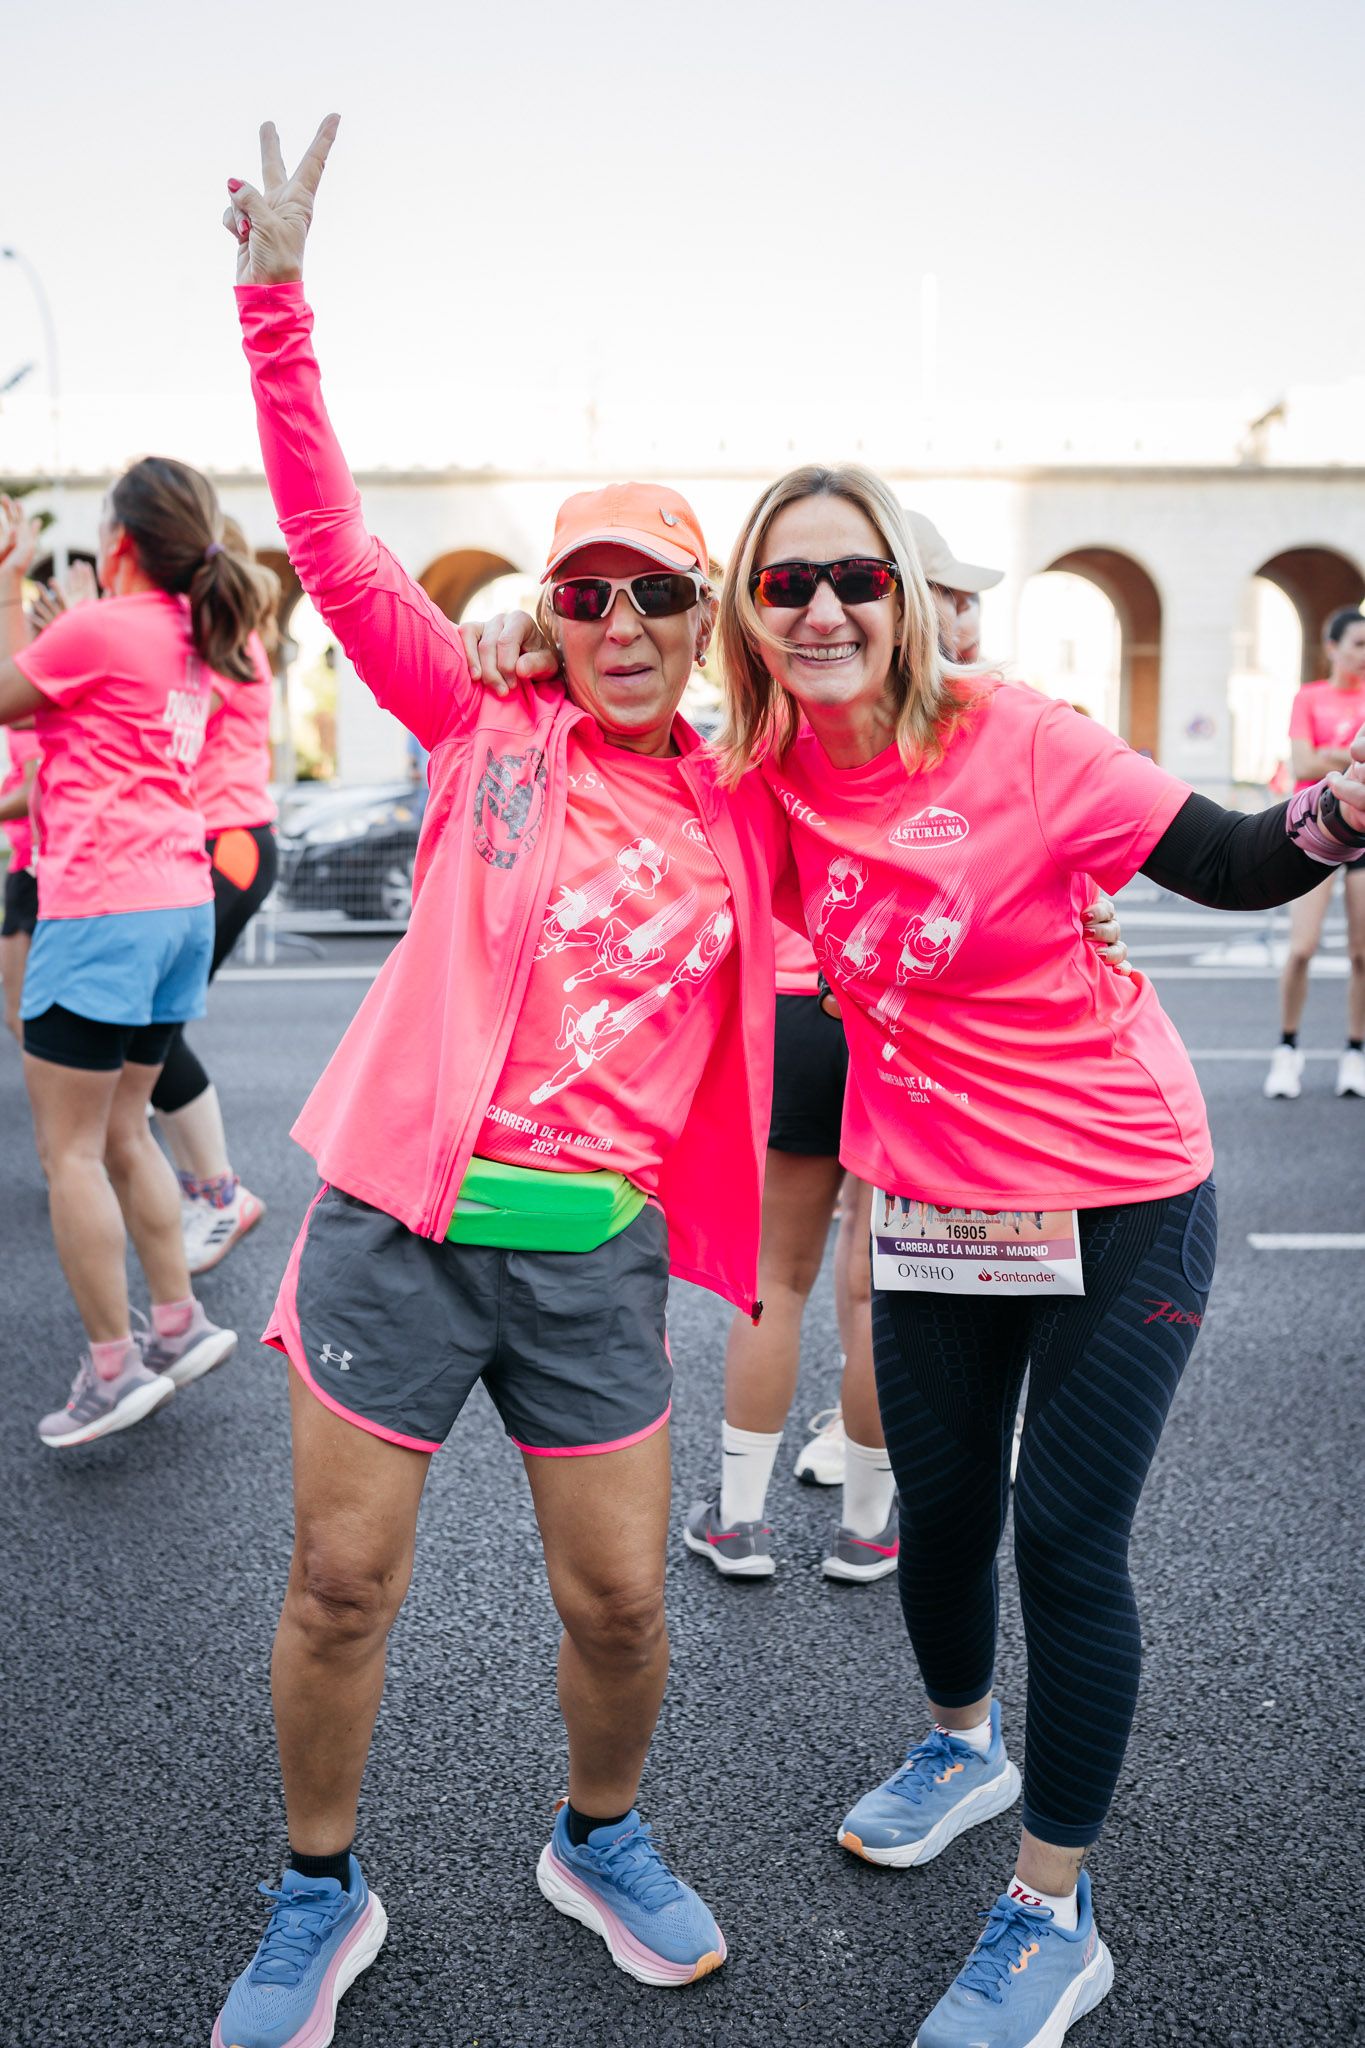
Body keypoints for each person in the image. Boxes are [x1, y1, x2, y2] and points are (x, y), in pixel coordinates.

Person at [210, 116, 795, 2047]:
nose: (620, 625)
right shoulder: (484, 728)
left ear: (701, 618)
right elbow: (327, 543)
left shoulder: (746, 806)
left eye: (656, 594)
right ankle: (318, 1887)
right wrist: (276, 299)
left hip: (594, 1259)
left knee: (625, 1602)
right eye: (589, 593)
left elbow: (945, 821)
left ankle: (597, 1835)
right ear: (550, 612)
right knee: (339, 1585)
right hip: (405, 1226)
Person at [711, 461, 1365, 2047]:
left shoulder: (1021, 737)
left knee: (1065, 1543)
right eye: (788, 582)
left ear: (901, 600)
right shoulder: (758, 775)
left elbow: (1223, 859)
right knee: (939, 1515)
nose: (823, 609)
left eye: (855, 578)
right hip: (932, 1203)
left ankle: (1051, 1912)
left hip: (1119, 1188)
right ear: (749, 606)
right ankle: (962, 1741)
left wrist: (1344, 807)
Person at [684, 513, 1128, 1583]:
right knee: (878, 1278)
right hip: (890, 1018)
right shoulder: (982, 720)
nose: (961, 611)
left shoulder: (775, 713)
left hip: (798, 1008)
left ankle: (743, 1516)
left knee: (775, 1279)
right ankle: (870, 1523)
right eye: (951, 592)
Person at [0, 470, 247, 1447]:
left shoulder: (107, 625)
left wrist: (8, 575)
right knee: (124, 1131)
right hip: (175, 902)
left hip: (102, 905)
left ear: (123, 538)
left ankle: (113, 1367)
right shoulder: (188, 635)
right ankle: (178, 1323)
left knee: (68, 1149)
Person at [150, 516, 279, 1269]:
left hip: (228, 845)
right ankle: (200, 1179)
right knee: (150, 1027)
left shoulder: (221, 644)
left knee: (153, 1026)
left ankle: (220, 1195)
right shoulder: (218, 638)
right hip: (221, 843)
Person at [1264, 605, 1365, 1100]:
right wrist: (1346, 755)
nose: (1364, 655)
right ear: (1332, 647)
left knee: (1362, 953)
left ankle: (1355, 1051)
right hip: (1318, 827)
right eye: (1358, 645)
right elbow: (1302, 760)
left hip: (1363, 831)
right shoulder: (1310, 697)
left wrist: (1330, 754)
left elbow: (1320, 756)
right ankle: (1287, 1049)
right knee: (1301, 949)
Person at [0, 724, 39, 1042]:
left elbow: (34, 791)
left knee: (21, 1015)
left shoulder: (30, 717)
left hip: (35, 866)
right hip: (32, 862)